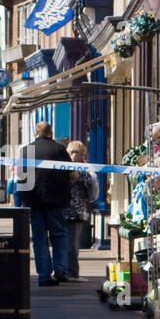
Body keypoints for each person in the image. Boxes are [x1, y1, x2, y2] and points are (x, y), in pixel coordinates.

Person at [19, 122, 71, 286]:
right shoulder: (59, 149)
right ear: (51, 132)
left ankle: (43, 275)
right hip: (56, 200)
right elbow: (71, 172)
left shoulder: (26, 151)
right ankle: (61, 268)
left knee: (39, 238)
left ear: (36, 133)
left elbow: (22, 176)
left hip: (35, 201)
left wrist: (24, 199)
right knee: (59, 235)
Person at [64, 140, 99, 280]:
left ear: (83, 154)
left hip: (76, 211)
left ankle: (71, 272)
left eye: (76, 152)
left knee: (72, 243)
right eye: (71, 152)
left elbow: (90, 185)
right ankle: (67, 272)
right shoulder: (64, 167)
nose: (73, 155)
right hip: (63, 209)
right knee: (67, 243)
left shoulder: (84, 170)